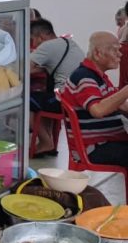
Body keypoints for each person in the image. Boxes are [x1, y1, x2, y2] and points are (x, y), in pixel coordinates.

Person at [60, 32, 128, 168]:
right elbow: (98, 110)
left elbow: (122, 106)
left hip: (108, 143)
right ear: (98, 53)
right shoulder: (84, 77)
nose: (120, 54)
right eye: (115, 50)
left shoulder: (99, 77)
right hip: (95, 148)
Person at [30, 19, 84, 155]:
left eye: (33, 40)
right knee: (42, 98)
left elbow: (23, 68)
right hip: (77, 99)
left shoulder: (47, 46)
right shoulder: (69, 43)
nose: (34, 44)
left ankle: (46, 141)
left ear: (41, 36)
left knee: (25, 100)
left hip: (63, 100)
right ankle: (49, 141)